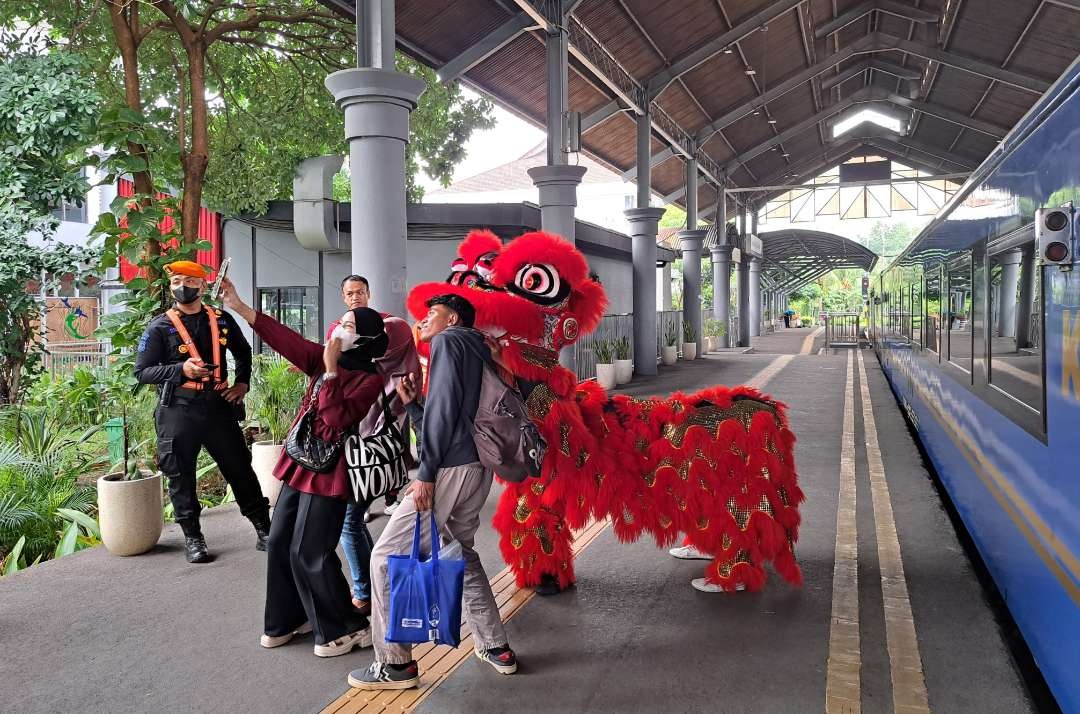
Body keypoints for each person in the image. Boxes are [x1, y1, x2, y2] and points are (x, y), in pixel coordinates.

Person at [348, 294, 517, 691]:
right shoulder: (479, 347)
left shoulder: (448, 341)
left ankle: (395, 666)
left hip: (448, 470)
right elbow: (451, 412)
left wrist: (425, 474)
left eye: (431, 314)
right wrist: (417, 407)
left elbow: (443, 410)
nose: (422, 320)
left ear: (452, 318)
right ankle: (496, 646)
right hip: (478, 468)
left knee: (384, 557)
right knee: (460, 550)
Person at [220, 277, 387, 658]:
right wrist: (239, 306)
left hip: (331, 471)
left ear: (364, 338)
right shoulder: (326, 357)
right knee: (280, 542)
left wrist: (329, 375)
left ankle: (344, 627)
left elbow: (336, 418)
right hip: (301, 462)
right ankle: (288, 619)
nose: (339, 329)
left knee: (309, 551)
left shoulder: (369, 377)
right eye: (341, 322)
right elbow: (285, 339)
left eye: (349, 326)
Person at [134, 260, 270, 564]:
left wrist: (242, 384)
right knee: (180, 475)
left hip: (218, 406)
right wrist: (180, 369)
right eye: (176, 282)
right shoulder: (160, 326)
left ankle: (264, 529)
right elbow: (142, 372)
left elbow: (243, 351)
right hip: (178, 410)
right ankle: (193, 539)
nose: (182, 287)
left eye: (189, 281)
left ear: (203, 285)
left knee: (240, 468)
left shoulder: (220, 319)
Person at [326, 274, 417, 614]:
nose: (354, 298)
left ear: (369, 294)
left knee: (348, 521)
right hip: (355, 435)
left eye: (360, 293)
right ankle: (372, 586)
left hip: (375, 434)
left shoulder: (393, 328)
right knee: (352, 519)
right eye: (349, 294)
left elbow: (346, 356)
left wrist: (336, 351)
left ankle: (366, 591)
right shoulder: (340, 331)